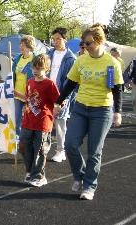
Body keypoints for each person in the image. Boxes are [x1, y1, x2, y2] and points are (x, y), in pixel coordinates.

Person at [54, 26, 123, 200]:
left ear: (100, 41)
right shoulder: (81, 60)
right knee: (70, 144)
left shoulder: (111, 63)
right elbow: (70, 83)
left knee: (94, 151)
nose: (84, 46)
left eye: (88, 43)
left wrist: (118, 112)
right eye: (83, 43)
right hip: (81, 108)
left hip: (102, 110)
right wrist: (58, 101)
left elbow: (117, 88)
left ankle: (89, 186)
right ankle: (79, 175)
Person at [19, 54, 60, 187]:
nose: (35, 70)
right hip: (28, 120)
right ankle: (30, 171)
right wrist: (16, 95)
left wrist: (56, 112)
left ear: (46, 69)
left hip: (42, 122)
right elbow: (28, 98)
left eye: (39, 68)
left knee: (40, 149)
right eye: (34, 67)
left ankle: (39, 175)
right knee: (24, 147)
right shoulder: (30, 81)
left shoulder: (50, 84)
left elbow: (58, 101)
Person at [47, 27, 76, 163]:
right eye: (54, 39)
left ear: (65, 39)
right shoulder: (49, 53)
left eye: (58, 38)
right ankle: (43, 148)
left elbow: (70, 81)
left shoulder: (70, 58)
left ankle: (60, 151)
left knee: (60, 123)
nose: (56, 41)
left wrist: (64, 98)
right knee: (45, 121)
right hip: (46, 92)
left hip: (61, 95)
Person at [12, 35, 35, 139]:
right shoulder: (17, 59)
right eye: (20, 44)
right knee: (16, 118)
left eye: (23, 45)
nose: (21, 47)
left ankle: (28, 139)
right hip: (17, 93)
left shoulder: (35, 59)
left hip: (29, 95)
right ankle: (18, 139)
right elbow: (12, 74)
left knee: (28, 118)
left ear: (29, 46)